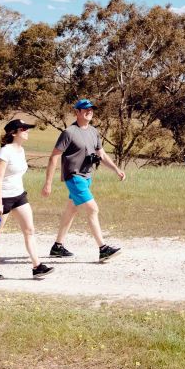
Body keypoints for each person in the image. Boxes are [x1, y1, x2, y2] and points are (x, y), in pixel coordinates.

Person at [42, 99, 127, 262]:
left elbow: (101, 154)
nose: (90, 111)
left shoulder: (93, 131)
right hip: (74, 177)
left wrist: (116, 169)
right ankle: (103, 249)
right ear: (77, 112)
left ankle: (57, 247)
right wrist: (48, 183)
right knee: (93, 209)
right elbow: (54, 157)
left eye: (91, 109)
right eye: (85, 109)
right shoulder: (69, 132)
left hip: (87, 177)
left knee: (71, 211)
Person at [0, 119, 55, 280]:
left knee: (29, 230)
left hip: (19, 195)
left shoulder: (21, 150)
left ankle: (37, 267)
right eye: (24, 129)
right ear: (14, 133)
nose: (27, 131)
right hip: (2, 199)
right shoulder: (4, 152)